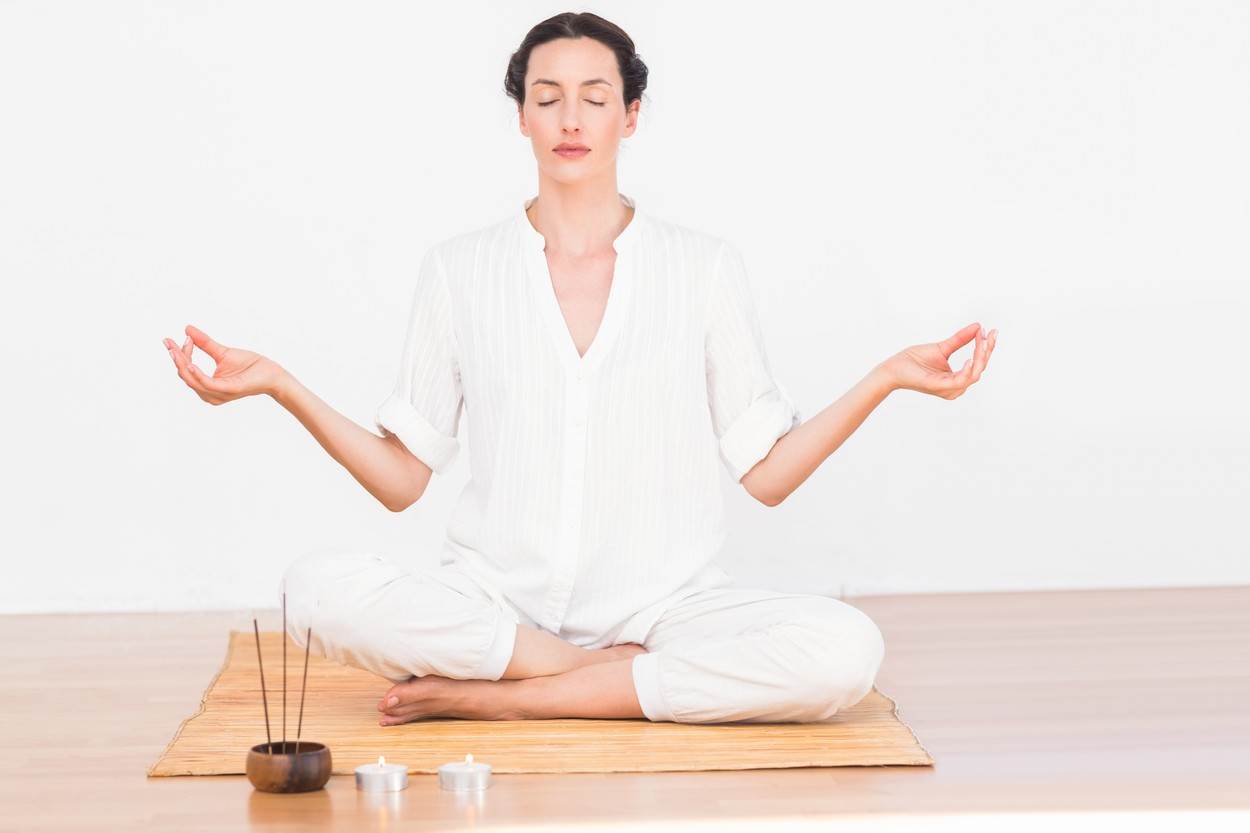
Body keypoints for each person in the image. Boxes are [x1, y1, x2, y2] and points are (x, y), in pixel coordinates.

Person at [161, 12, 997, 726]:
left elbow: (767, 473)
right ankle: (583, 673)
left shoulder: (702, 267)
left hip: (667, 610)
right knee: (312, 591)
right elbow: (402, 479)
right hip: (497, 609)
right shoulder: (460, 269)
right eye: (547, 97)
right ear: (521, 117)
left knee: (846, 650)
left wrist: (887, 377)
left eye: (595, 98)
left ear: (630, 116)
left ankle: (511, 699)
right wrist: (280, 384)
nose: (571, 118)